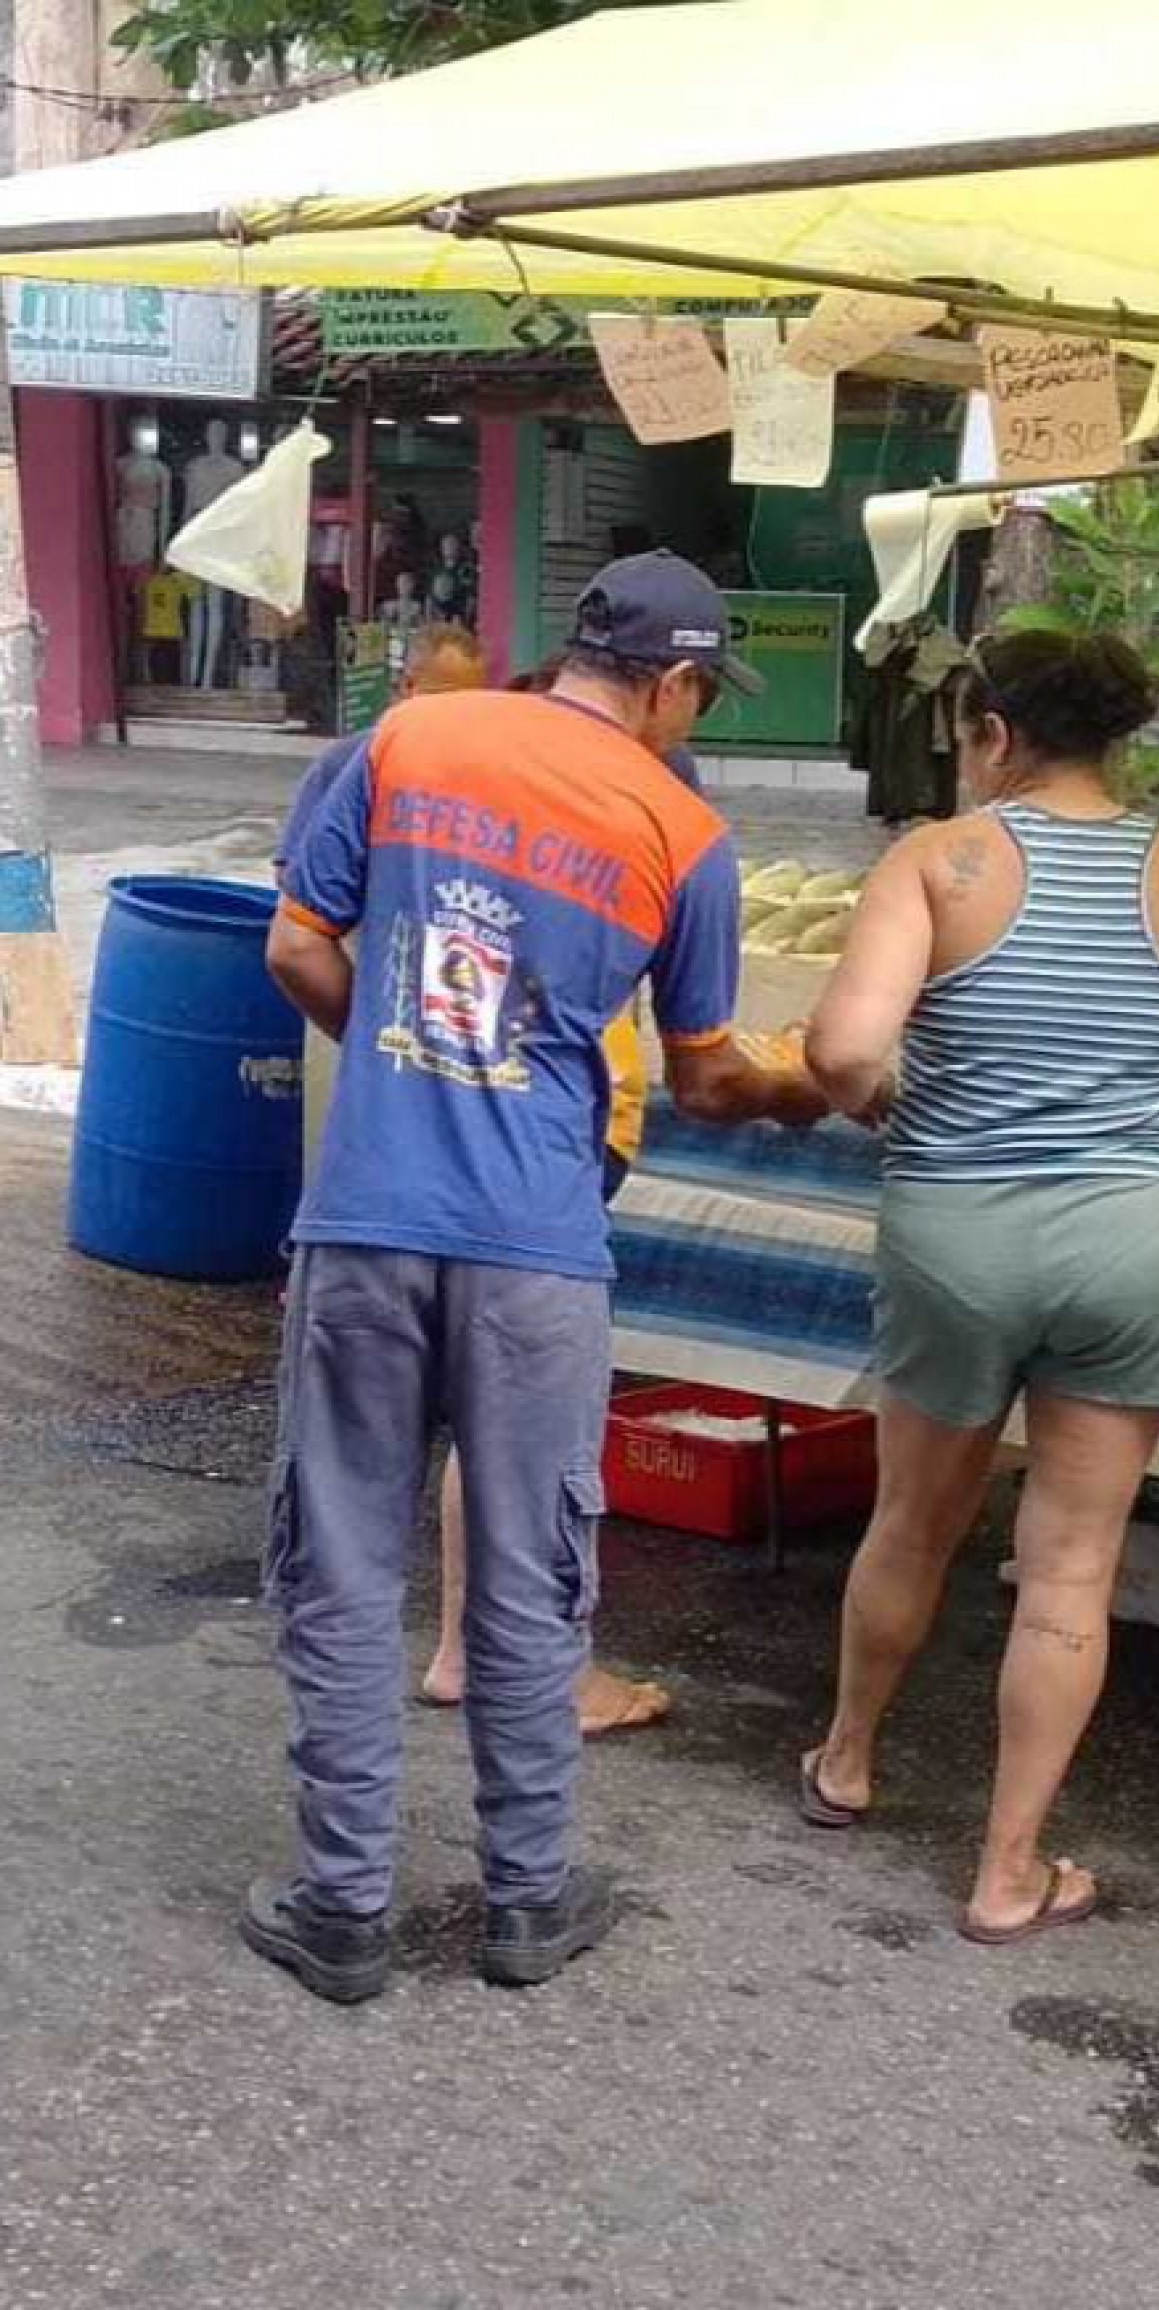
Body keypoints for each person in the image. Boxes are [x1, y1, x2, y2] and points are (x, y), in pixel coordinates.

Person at [253, 551, 827, 2005]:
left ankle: (343, 1905)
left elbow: (297, 946)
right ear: (677, 682)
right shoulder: (684, 831)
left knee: (344, 1555)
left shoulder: (405, 738)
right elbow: (700, 1078)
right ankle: (524, 1897)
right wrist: (800, 1091)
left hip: (368, 1216)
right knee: (527, 1578)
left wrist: (401, 1063)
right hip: (537, 1250)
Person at [798, 630, 1159, 1943]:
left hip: (960, 1231)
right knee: (1069, 1570)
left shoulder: (936, 865)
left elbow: (841, 1050)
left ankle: (847, 1759)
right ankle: (1008, 1869)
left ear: (996, 733)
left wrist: (900, 1103)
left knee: (912, 1522)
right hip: (1145, 1244)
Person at [418, 653, 703, 1738]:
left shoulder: (467, 807)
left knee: (487, 1406)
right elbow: (701, 1042)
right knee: (542, 1414)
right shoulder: (627, 809)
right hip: (549, 1151)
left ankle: (460, 1649)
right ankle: (548, 1675)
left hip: (460, 1130)